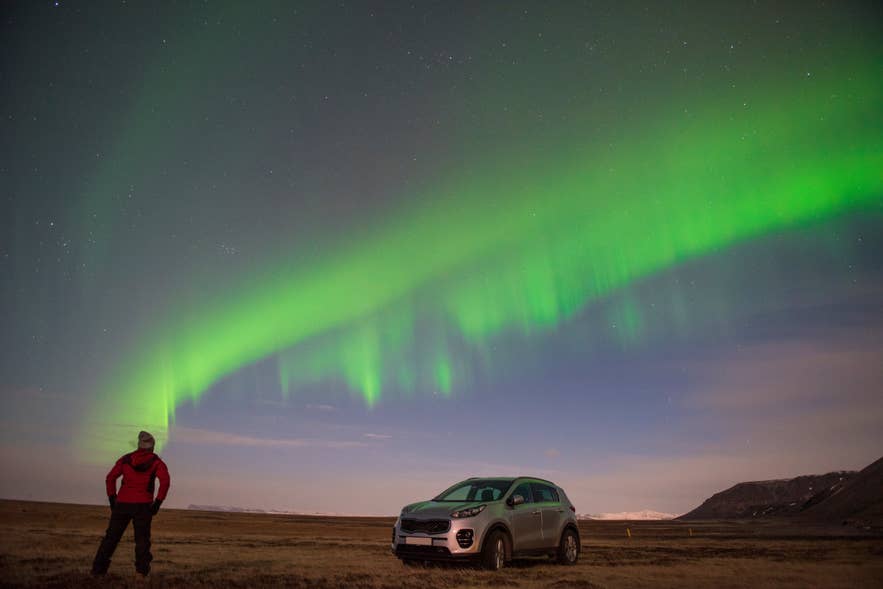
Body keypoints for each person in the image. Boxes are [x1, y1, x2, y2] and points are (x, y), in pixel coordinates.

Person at [91, 430, 171, 577]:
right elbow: (165, 482)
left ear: (139, 445)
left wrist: (112, 499)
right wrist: (157, 503)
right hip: (143, 506)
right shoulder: (156, 462)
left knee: (110, 539)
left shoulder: (126, 459)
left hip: (122, 504)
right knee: (142, 541)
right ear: (152, 447)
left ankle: (97, 571)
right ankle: (141, 574)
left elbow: (110, 478)